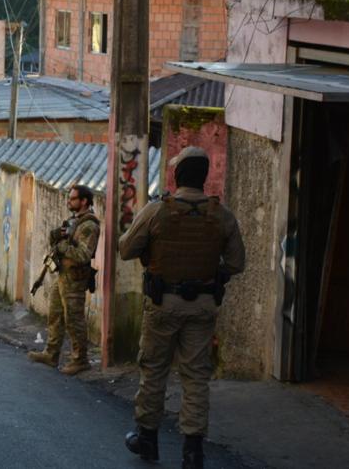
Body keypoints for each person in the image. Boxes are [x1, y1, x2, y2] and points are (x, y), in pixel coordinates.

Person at [118, 146, 246, 469]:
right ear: (203, 177)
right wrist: (211, 274)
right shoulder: (222, 215)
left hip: (163, 304)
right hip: (202, 306)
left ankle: (147, 438)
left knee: (154, 370)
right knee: (196, 377)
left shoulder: (158, 210)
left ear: (177, 175)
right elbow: (236, 262)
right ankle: (193, 451)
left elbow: (125, 250)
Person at [27, 184, 100, 376]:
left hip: (75, 280)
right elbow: (61, 243)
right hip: (63, 276)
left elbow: (84, 254)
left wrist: (62, 247)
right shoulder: (74, 221)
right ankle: (51, 354)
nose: (69, 201)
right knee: (55, 315)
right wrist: (55, 238)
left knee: (74, 320)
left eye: (73, 198)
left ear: (84, 201)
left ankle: (80, 360)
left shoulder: (89, 225)